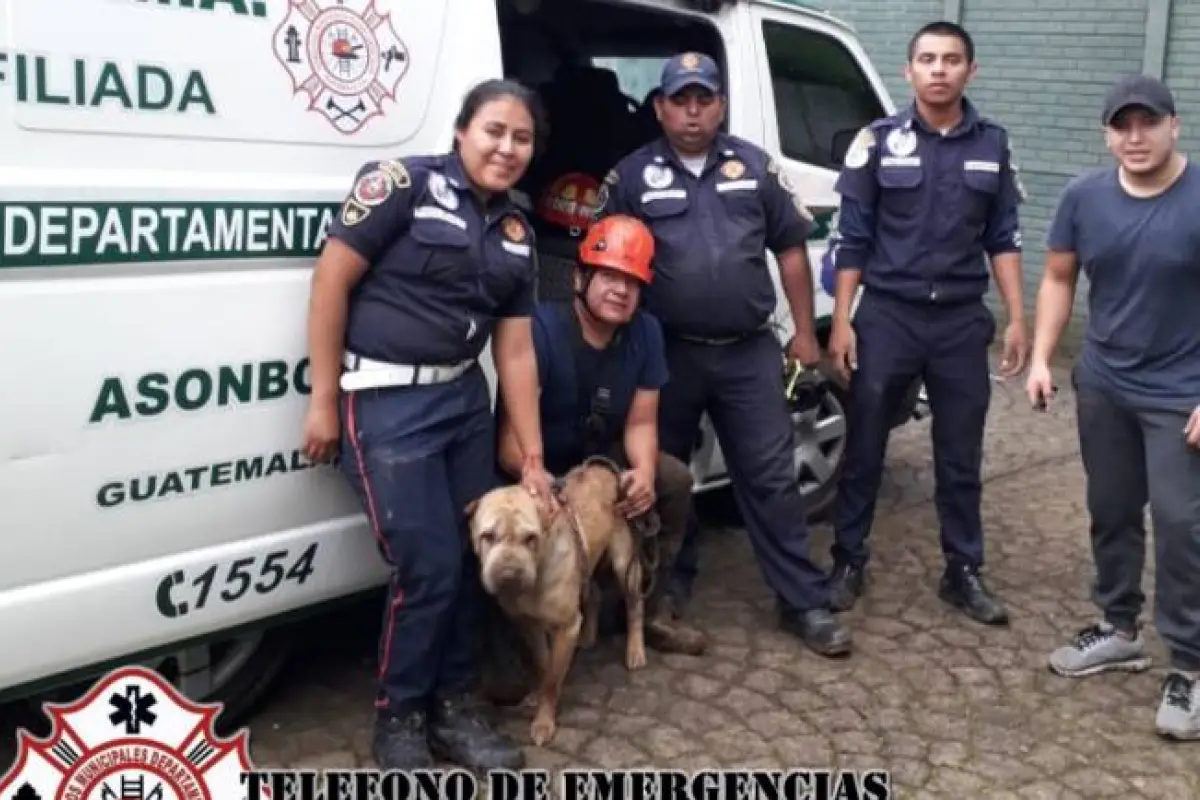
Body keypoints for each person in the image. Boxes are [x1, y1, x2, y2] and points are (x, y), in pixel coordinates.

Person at [300, 79, 556, 771]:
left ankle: (455, 708)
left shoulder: (515, 230)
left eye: (522, 138)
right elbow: (331, 281)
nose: (506, 148)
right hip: (385, 402)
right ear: (461, 131)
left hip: (464, 406)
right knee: (430, 565)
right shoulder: (402, 186)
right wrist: (324, 396)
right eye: (494, 130)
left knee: (473, 563)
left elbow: (517, 349)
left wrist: (532, 455)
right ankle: (399, 718)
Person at [594, 51, 851, 657]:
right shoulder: (630, 176)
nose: (691, 111)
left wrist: (805, 335)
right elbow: (603, 262)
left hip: (747, 355)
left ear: (720, 105)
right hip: (665, 355)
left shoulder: (755, 167)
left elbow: (791, 248)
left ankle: (803, 603)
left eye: (702, 99)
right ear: (659, 107)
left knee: (770, 480)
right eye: (679, 99)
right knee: (664, 479)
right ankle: (662, 598)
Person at [824, 21, 1027, 625]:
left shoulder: (993, 144)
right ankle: (848, 559)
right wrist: (841, 322)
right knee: (864, 444)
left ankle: (962, 570)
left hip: (961, 321)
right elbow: (852, 239)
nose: (939, 70)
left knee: (959, 453)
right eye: (927, 59)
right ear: (908, 71)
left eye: (952, 60)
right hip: (888, 316)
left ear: (971, 70)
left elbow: (1004, 237)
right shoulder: (877, 141)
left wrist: (1017, 317)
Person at [1027, 73, 1200, 740]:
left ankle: (1189, 663)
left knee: (1184, 526)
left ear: (1173, 126)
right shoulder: (1083, 196)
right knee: (1111, 510)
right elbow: (1060, 276)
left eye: (1147, 123)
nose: (1135, 137)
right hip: (1104, 384)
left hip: (1180, 394)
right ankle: (1119, 626)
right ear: (1107, 134)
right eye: (1121, 125)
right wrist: (1044, 357)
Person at [496, 213, 710, 656]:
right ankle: (507, 636)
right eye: (609, 276)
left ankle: (645, 611)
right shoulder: (542, 329)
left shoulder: (645, 333)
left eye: (632, 282)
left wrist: (645, 472)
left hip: (599, 458)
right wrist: (550, 485)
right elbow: (509, 445)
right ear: (580, 277)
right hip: (536, 466)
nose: (620, 290)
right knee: (509, 683)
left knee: (673, 481)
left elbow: (641, 421)